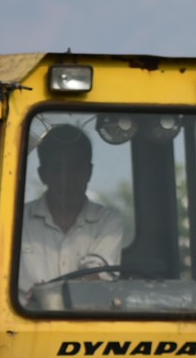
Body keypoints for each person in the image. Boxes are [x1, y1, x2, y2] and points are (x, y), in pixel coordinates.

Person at [16, 124, 127, 294]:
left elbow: (96, 277)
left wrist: (46, 292)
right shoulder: (16, 221)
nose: (67, 178)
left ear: (89, 172)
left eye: (75, 169)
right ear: (42, 174)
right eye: (57, 169)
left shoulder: (108, 222)